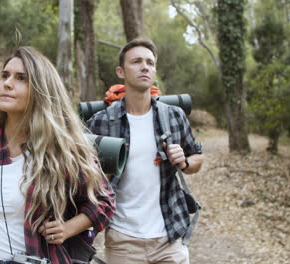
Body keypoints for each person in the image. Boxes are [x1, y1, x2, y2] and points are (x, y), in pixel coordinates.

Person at [0, 46, 115, 264]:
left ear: (40, 90)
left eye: (21, 78)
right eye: (5, 76)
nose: (7, 83)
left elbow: (104, 201)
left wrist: (67, 229)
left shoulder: (64, 151)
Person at [87, 38, 204, 264]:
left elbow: (197, 157)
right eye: (137, 62)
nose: (145, 67)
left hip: (169, 238)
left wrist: (186, 163)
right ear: (121, 71)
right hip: (123, 241)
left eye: (150, 62)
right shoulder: (100, 123)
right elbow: (80, 177)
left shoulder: (173, 116)